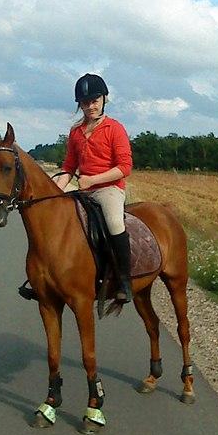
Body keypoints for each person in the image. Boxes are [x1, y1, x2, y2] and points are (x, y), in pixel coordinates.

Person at [53, 73, 134, 303]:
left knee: (114, 223)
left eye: (95, 100)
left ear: (104, 99)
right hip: (84, 191)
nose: (90, 106)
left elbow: (125, 167)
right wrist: (57, 190)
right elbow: (69, 166)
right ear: (79, 104)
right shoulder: (76, 132)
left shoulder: (114, 128)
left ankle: (124, 281)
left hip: (109, 189)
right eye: (85, 102)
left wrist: (93, 180)